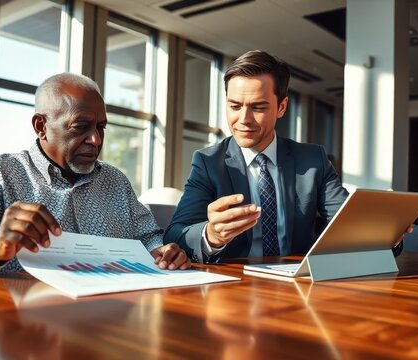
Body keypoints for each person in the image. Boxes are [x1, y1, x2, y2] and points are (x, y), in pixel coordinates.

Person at [0, 73, 190, 278]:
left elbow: (148, 237)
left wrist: (162, 251)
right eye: (80, 127)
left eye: (101, 127)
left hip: (107, 322)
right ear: (41, 126)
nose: (96, 140)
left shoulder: (115, 181)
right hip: (24, 327)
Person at [164, 50, 405, 263]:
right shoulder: (207, 162)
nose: (244, 119)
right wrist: (211, 236)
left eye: (258, 107)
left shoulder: (313, 160)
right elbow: (175, 234)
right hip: (232, 288)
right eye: (234, 106)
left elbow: (346, 227)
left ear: (281, 107)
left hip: (298, 285)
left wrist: (384, 230)